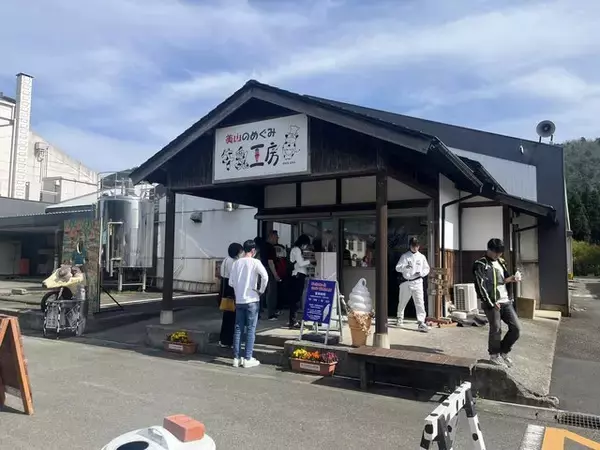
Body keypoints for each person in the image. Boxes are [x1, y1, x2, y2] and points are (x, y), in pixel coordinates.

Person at [473, 238, 521, 368]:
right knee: (496, 329)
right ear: (489, 249)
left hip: (505, 300)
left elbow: (502, 280)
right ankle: (494, 356)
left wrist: (512, 279)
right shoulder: (480, 264)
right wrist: (490, 302)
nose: (498, 255)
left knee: (516, 328)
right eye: (496, 252)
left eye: (500, 252)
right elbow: (480, 286)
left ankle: (503, 352)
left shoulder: (501, 262)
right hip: (492, 302)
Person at [229, 239, 269, 368]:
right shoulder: (255, 262)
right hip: (252, 299)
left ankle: (236, 358)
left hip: (239, 300)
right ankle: (248, 358)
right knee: (251, 329)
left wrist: (238, 289)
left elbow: (231, 282)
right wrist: (261, 290)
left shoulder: (236, 263)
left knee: (238, 328)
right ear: (253, 250)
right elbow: (265, 276)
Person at [395, 237, 431, 332]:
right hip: (406, 281)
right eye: (413, 245)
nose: (415, 247)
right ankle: (400, 317)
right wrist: (405, 267)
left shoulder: (422, 257)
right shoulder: (405, 256)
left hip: (418, 281)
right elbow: (397, 268)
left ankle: (421, 321)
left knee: (420, 302)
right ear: (410, 246)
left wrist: (421, 273)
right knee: (402, 301)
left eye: (417, 246)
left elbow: (427, 269)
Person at [218, 242, 243, 348]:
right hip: (231, 289)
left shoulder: (226, 260)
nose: (242, 253)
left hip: (225, 288)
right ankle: (230, 340)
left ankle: (224, 340)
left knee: (227, 316)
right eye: (240, 251)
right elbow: (235, 277)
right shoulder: (233, 262)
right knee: (233, 317)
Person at [288, 234, 312, 329]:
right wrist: (310, 261)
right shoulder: (296, 250)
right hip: (297, 276)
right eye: (306, 244)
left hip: (298, 275)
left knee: (296, 299)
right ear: (303, 243)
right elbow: (301, 263)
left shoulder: (297, 250)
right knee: (296, 299)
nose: (306, 247)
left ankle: (293, 320)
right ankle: (293, 321)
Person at [262, 230, 282, 321]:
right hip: (269, 270)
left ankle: (259, 312)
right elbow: (270, 262)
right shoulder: (270, 247)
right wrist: (275, 275)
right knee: (272, 292)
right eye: (276, 237)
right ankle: (271, 314)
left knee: (263, 291)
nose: (277, 239)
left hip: (262, 270)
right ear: (272, 236)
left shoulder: (263, 246)